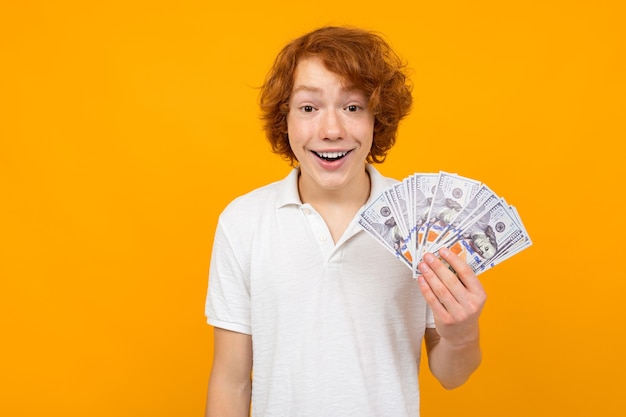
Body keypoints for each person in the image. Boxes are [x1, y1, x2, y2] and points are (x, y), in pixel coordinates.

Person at [204, 26, 487, 417]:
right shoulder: (244, 222)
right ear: (284, 119)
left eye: (352, 107)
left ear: (377, 118)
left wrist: (462, 334)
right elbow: (231, 380)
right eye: (309, 108)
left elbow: (451, 374)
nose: (332, 130)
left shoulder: (423, 223)